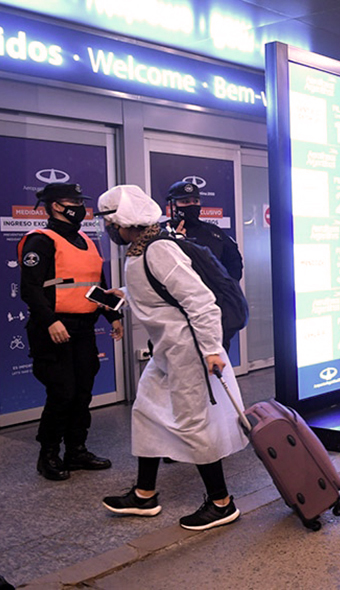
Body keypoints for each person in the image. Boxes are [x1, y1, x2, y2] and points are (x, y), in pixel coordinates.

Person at [96, 184, 249, 531]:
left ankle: (221, 502)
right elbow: (159, 299)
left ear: (125, 221)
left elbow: (200, 302)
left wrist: (211, 350)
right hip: (167, 351)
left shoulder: (159, 250)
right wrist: (122, 296)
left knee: (193, 423)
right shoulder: (140, 250)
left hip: (188, 351)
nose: (108, 231)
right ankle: (144, 493)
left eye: (110, 224)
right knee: (146, 412)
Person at [18, 182, 123, 481]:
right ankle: (48, 454)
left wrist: (112, 316)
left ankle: (76, 450)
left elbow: (95, 287)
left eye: (80, 200)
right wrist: (51, 320)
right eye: (72, 201)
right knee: (62, 392)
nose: (79, 206)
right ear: (55, 206)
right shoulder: (40, 240)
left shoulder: (87, 242)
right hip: (52, 328)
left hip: (83, 328)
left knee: (82, 391)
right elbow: (30, 289)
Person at [166, 181, 243, 281]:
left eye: (196, 201)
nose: (192, 205)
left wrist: (223, 289)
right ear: (173, 205)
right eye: (185, 202)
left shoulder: (214, 232)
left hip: (213, 294)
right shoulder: (163, 232)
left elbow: (234, 263)